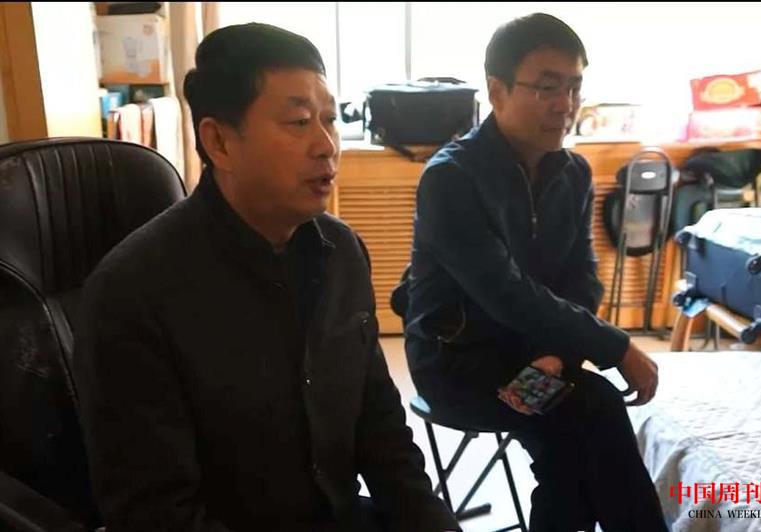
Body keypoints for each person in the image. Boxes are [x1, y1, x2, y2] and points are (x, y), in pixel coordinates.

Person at [75, 23, 458, 532]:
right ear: (219, 142)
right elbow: (158, 515)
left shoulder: (342, 252)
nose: (327, 145)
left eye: (329, 119)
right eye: (299, 122)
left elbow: (381, 432)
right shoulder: (131, 292)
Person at [402, 13, 668, 532]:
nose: (565, 104)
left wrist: (560, 354)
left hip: (539, 356)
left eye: (574, 87)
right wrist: (616, 347)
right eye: (547, 87)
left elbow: (582, 278)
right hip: (460, 364)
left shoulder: (574, 172)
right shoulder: (450, 179)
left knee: (569, 449)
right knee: (593, 407)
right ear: (496, 90)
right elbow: (504, 292)